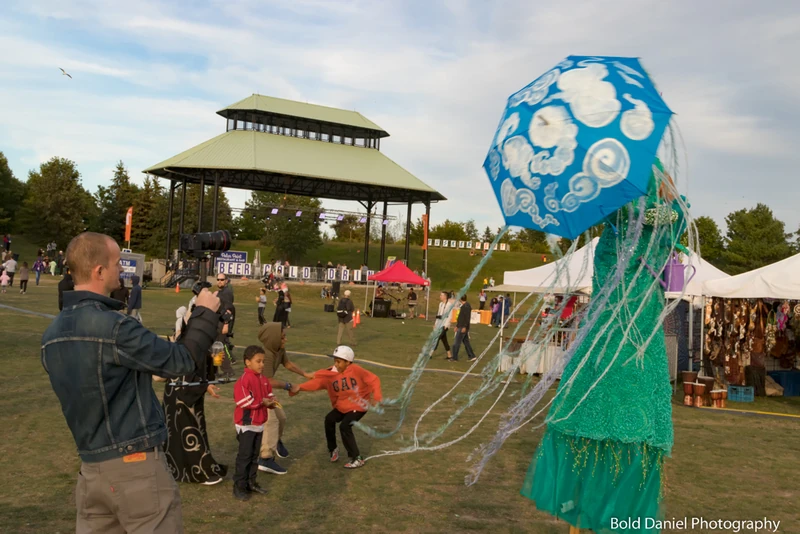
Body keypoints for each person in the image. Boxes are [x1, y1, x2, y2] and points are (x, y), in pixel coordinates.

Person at [41, 231, 221, 533]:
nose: (122, 271)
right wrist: (204, 313)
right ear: (99, 271)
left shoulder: (51, 334)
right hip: (134, 469)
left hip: (91, 471)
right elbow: (181, 362)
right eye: (116, 264)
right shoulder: (115, 327)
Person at [291, 346, 382, 469]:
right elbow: (319, 383)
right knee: (329, 419)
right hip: (343, 405)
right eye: (335, 361)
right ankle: (333, 449)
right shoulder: (332, 373)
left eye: (339, 361)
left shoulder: (356, 370)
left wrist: (376, 397)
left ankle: (357, 458)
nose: (336, 364)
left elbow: (374, 379)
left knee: (345, 426)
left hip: (358, 405)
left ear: (348, 362)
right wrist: (300, 387)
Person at [256, 322, 315, 475]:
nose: (285, 340)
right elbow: (268, 380)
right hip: (257, 393)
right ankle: (265, 458)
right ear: (274, 339)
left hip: (266, 391)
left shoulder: (279, 349)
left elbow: (287, 363)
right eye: (283, 337)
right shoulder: (266, 355)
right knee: (271, 421)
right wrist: (289, 385)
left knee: (281, 417)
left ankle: (275, 441)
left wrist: (305, 374)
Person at [233, 345, 277, 501]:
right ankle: (239, 486)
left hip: (259, 423)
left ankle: (251, 482)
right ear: (247, 362)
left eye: (263, 361)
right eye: (258, 361)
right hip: (246, 424)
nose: (262, 365)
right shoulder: (244, 380)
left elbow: (269, 394)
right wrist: (262, 403)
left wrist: (272, 401)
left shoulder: (263, 380)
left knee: (253, 457)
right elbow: (243, 401)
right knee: (244, 456)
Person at [451, 295, 477, 362]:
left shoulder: (466, 307)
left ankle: (454, 357)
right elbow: (461, 317)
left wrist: (464, 327)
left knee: (456, 343)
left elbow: (466, 318)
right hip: (461, 326)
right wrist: (457, 326)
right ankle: (472, 355)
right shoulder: (464, 306)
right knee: (466, 342)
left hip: (463, 327)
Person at [433, 291, 453, 359]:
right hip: (439, 324)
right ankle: (449, 355)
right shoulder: (440, 304)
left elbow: (450, 316)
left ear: (445, 296)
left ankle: (430, 353)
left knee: (437, 338)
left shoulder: (449, 305)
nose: (440, 296)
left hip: (445, 325)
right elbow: (438, 315)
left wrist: (446, 325)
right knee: (444, 340)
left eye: (441, 295)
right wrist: (435, 324)